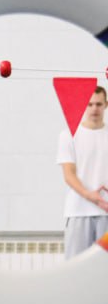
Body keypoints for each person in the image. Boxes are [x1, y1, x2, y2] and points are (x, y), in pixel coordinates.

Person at [56, 86, 108, 258]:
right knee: (75, 269)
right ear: (84, 105)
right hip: (78, 212)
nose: (94, 109)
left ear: (105, 105)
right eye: (90, 104)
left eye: (98, 104)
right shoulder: (68, 135)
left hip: (106, 214)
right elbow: (69, 174)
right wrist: (89, 195)